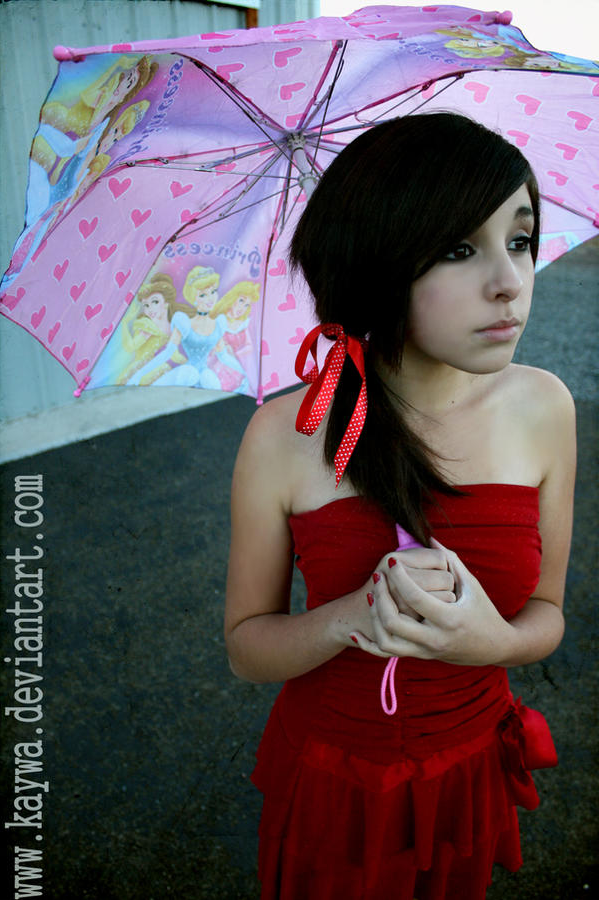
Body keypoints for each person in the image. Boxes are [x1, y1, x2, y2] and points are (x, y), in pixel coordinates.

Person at [224, 113, 575, 900]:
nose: (510, 281)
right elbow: (248, 646)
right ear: (380, 256)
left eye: (519, 240)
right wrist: (354, 616)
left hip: (467, 770)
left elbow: (547, 610)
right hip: (335, 785)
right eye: (459, 248)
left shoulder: (544, 407)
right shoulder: (289, 432)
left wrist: (492, 641)